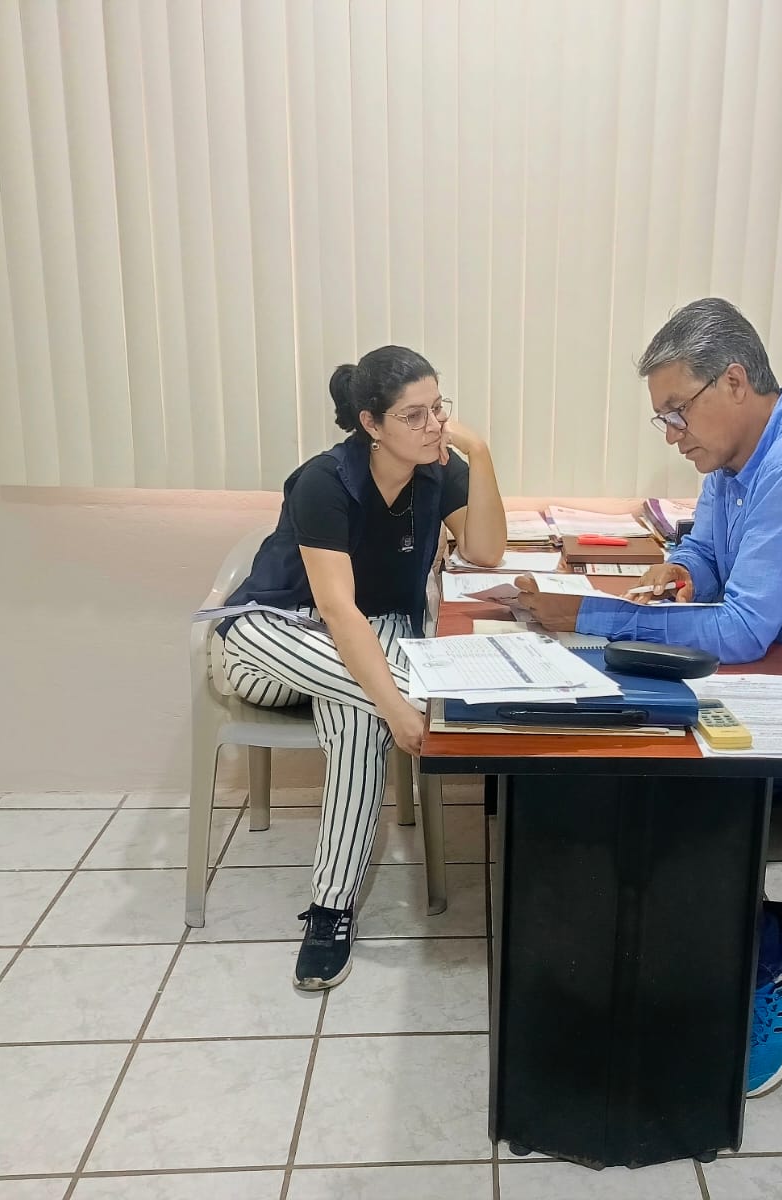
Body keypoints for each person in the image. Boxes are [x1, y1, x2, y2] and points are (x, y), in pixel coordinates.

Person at [515, 297, 782, 1098]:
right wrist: (679, 573)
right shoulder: (732, 463)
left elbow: (740, 630)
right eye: (663, 419)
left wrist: (586, 614)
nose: (673, 435)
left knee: (680, 792)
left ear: (735, 382)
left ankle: (780, 967)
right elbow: (708, 553)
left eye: (677, 411)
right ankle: (691, 954)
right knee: (639, 751)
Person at [218, 346, 507, 990]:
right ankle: (457, 705)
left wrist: (480, 452)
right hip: (277, 640)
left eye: (438, 408)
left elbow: (487, 549)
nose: (434, 425)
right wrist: (401, 705)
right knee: (370, 694)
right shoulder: (324, 481)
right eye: (414, 415)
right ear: (371, 424)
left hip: (366, 648)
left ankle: (330, 911)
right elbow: (336, 609)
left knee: (357, 719)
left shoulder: (438, 467)